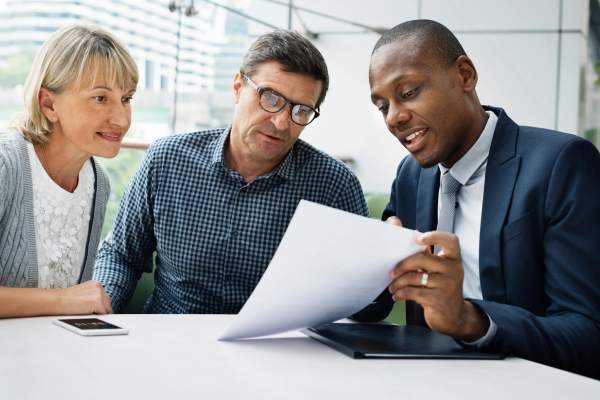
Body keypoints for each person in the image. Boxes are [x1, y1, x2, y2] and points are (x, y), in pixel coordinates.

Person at [364, 19, 600, 378]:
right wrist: (363, 268)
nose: (394, 117)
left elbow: (588, 335)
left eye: (409, 92)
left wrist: (469, 320)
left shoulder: (562, 164)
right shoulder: (410, 176)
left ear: (465, 75)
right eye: (382, 106)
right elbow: (378, 305)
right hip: (418, 381)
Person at [94, 30, 368, 313]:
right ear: (238, 87)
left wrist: (386, 271)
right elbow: (121, 255)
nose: (282, 122)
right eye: (271, 98)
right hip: (168, 340)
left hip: (274, 350)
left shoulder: (334, 186)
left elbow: (362, 298)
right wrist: (99, 312)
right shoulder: (167, 160)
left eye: (300, 111)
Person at [0, 25, 138, 318]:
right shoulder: (6, 164)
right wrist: (63, 301)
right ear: (49, 104)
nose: (121, 119)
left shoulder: (98, 182)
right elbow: (71, 301)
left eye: (126, 99)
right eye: (100, 98)